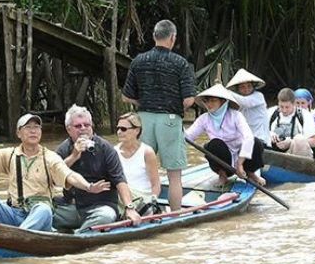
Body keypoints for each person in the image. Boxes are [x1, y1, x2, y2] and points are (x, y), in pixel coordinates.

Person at [0, 113, 109, 231]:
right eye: (28, 128)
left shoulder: (49, 157)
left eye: (36, 127)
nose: (33, 131)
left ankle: (18, 237)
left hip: (37, 214)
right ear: (19, 133)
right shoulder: (10, 154)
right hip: (14, 212)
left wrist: (89, 187)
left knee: (44, 209)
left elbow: (70, 175)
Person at [123, 19, 196, 211]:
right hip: (170, 120)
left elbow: (126, 96)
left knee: (143, 169)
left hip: (143, 120)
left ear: (154, 36)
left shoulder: (138, 60)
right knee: (174, 175)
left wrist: (143, 103)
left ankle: (139, 209)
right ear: (172, 38)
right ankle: (175, 216)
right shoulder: (180, 63)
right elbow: (189, 100)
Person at [55, 105, 142, 231]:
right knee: (45, 212)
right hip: (72, 208)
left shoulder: (106, 148)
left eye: (87, 125)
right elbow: (53, 177)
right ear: (69, 130)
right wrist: (74, 155)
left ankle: (79, 236)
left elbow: (120, 180)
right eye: (78, 126)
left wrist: (129, 208)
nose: (83, 129)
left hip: (100, 207)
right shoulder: (63, 149)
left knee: (106, 216)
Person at [184, 83, 266, 187]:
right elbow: (188, 137)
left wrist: (240, 164)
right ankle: (222, 175)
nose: (209, 104)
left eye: (213, 100)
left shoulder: (236, 115)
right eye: (207, 101)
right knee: (213, 144)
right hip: (223, 161)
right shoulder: (204, 119)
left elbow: (248, 137)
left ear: (222, 102)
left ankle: (250, 173)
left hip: (242, 158)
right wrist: (177, 127)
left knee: (256, 142)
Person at [114, 112, 161, 213]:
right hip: (122, 195)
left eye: (123, 129)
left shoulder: (147, 152)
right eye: (117, 128)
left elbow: (155, 184)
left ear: (136, 130)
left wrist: (153, 201)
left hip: (141, 198)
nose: (119, 132)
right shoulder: (114, 151)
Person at [266, 88, 315, 158]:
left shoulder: (304, 115)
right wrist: (269, 134)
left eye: (287, 107)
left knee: (299, 139)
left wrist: (291, 142)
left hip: (296, 155)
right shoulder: (270, 112)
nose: (284, 110)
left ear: (294, 104)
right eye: (281, 107)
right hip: (274, 154)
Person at [226, 68, 269, 145]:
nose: (246, 89)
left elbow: (246, 102)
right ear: (238, 89)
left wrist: (226, 92)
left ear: (253, 86)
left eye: (249, 86)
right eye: (242, 87)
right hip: (245, 139)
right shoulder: (237, 102)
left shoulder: (258, 96)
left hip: (260, 139)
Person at [294, 88, 315, 159]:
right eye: (297, 103)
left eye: (303, 103)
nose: (300, 106)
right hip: (296, 142)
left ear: (309, 103)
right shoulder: (290, 114)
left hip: (312, 142)